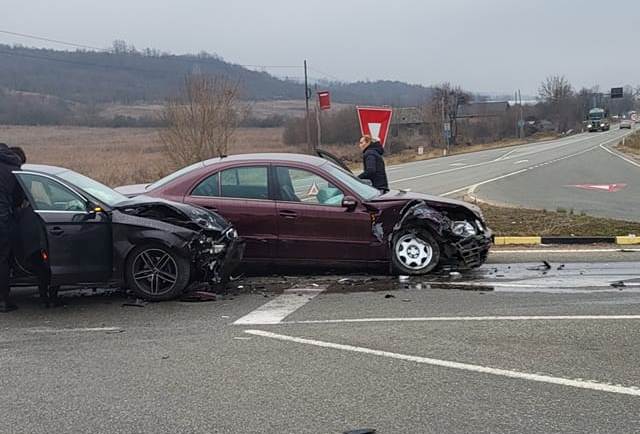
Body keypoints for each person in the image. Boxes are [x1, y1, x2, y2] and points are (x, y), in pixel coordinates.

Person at [0, 143, 23, 312]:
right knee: (2, 259)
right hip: (2, 218)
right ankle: (2, 300)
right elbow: (18, 200)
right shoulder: (13, 169)